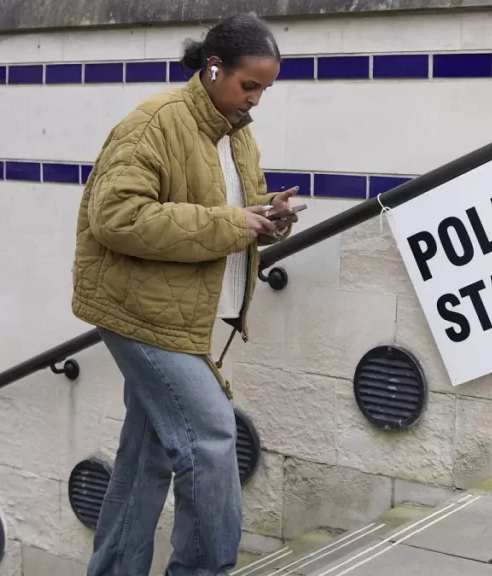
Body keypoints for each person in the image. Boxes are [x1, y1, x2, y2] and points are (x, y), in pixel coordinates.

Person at [70, 13, 298, 576]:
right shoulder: (154, 124)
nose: (256, 100)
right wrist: (230, 224)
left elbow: (232, 207)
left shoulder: (237, 133)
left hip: (183, 317)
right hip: (138, 313)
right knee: (213, 435)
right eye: (250, 85)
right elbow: (116, 216)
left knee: (145, 456)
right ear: (214, 69)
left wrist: (271, 217)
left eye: (264, 89)